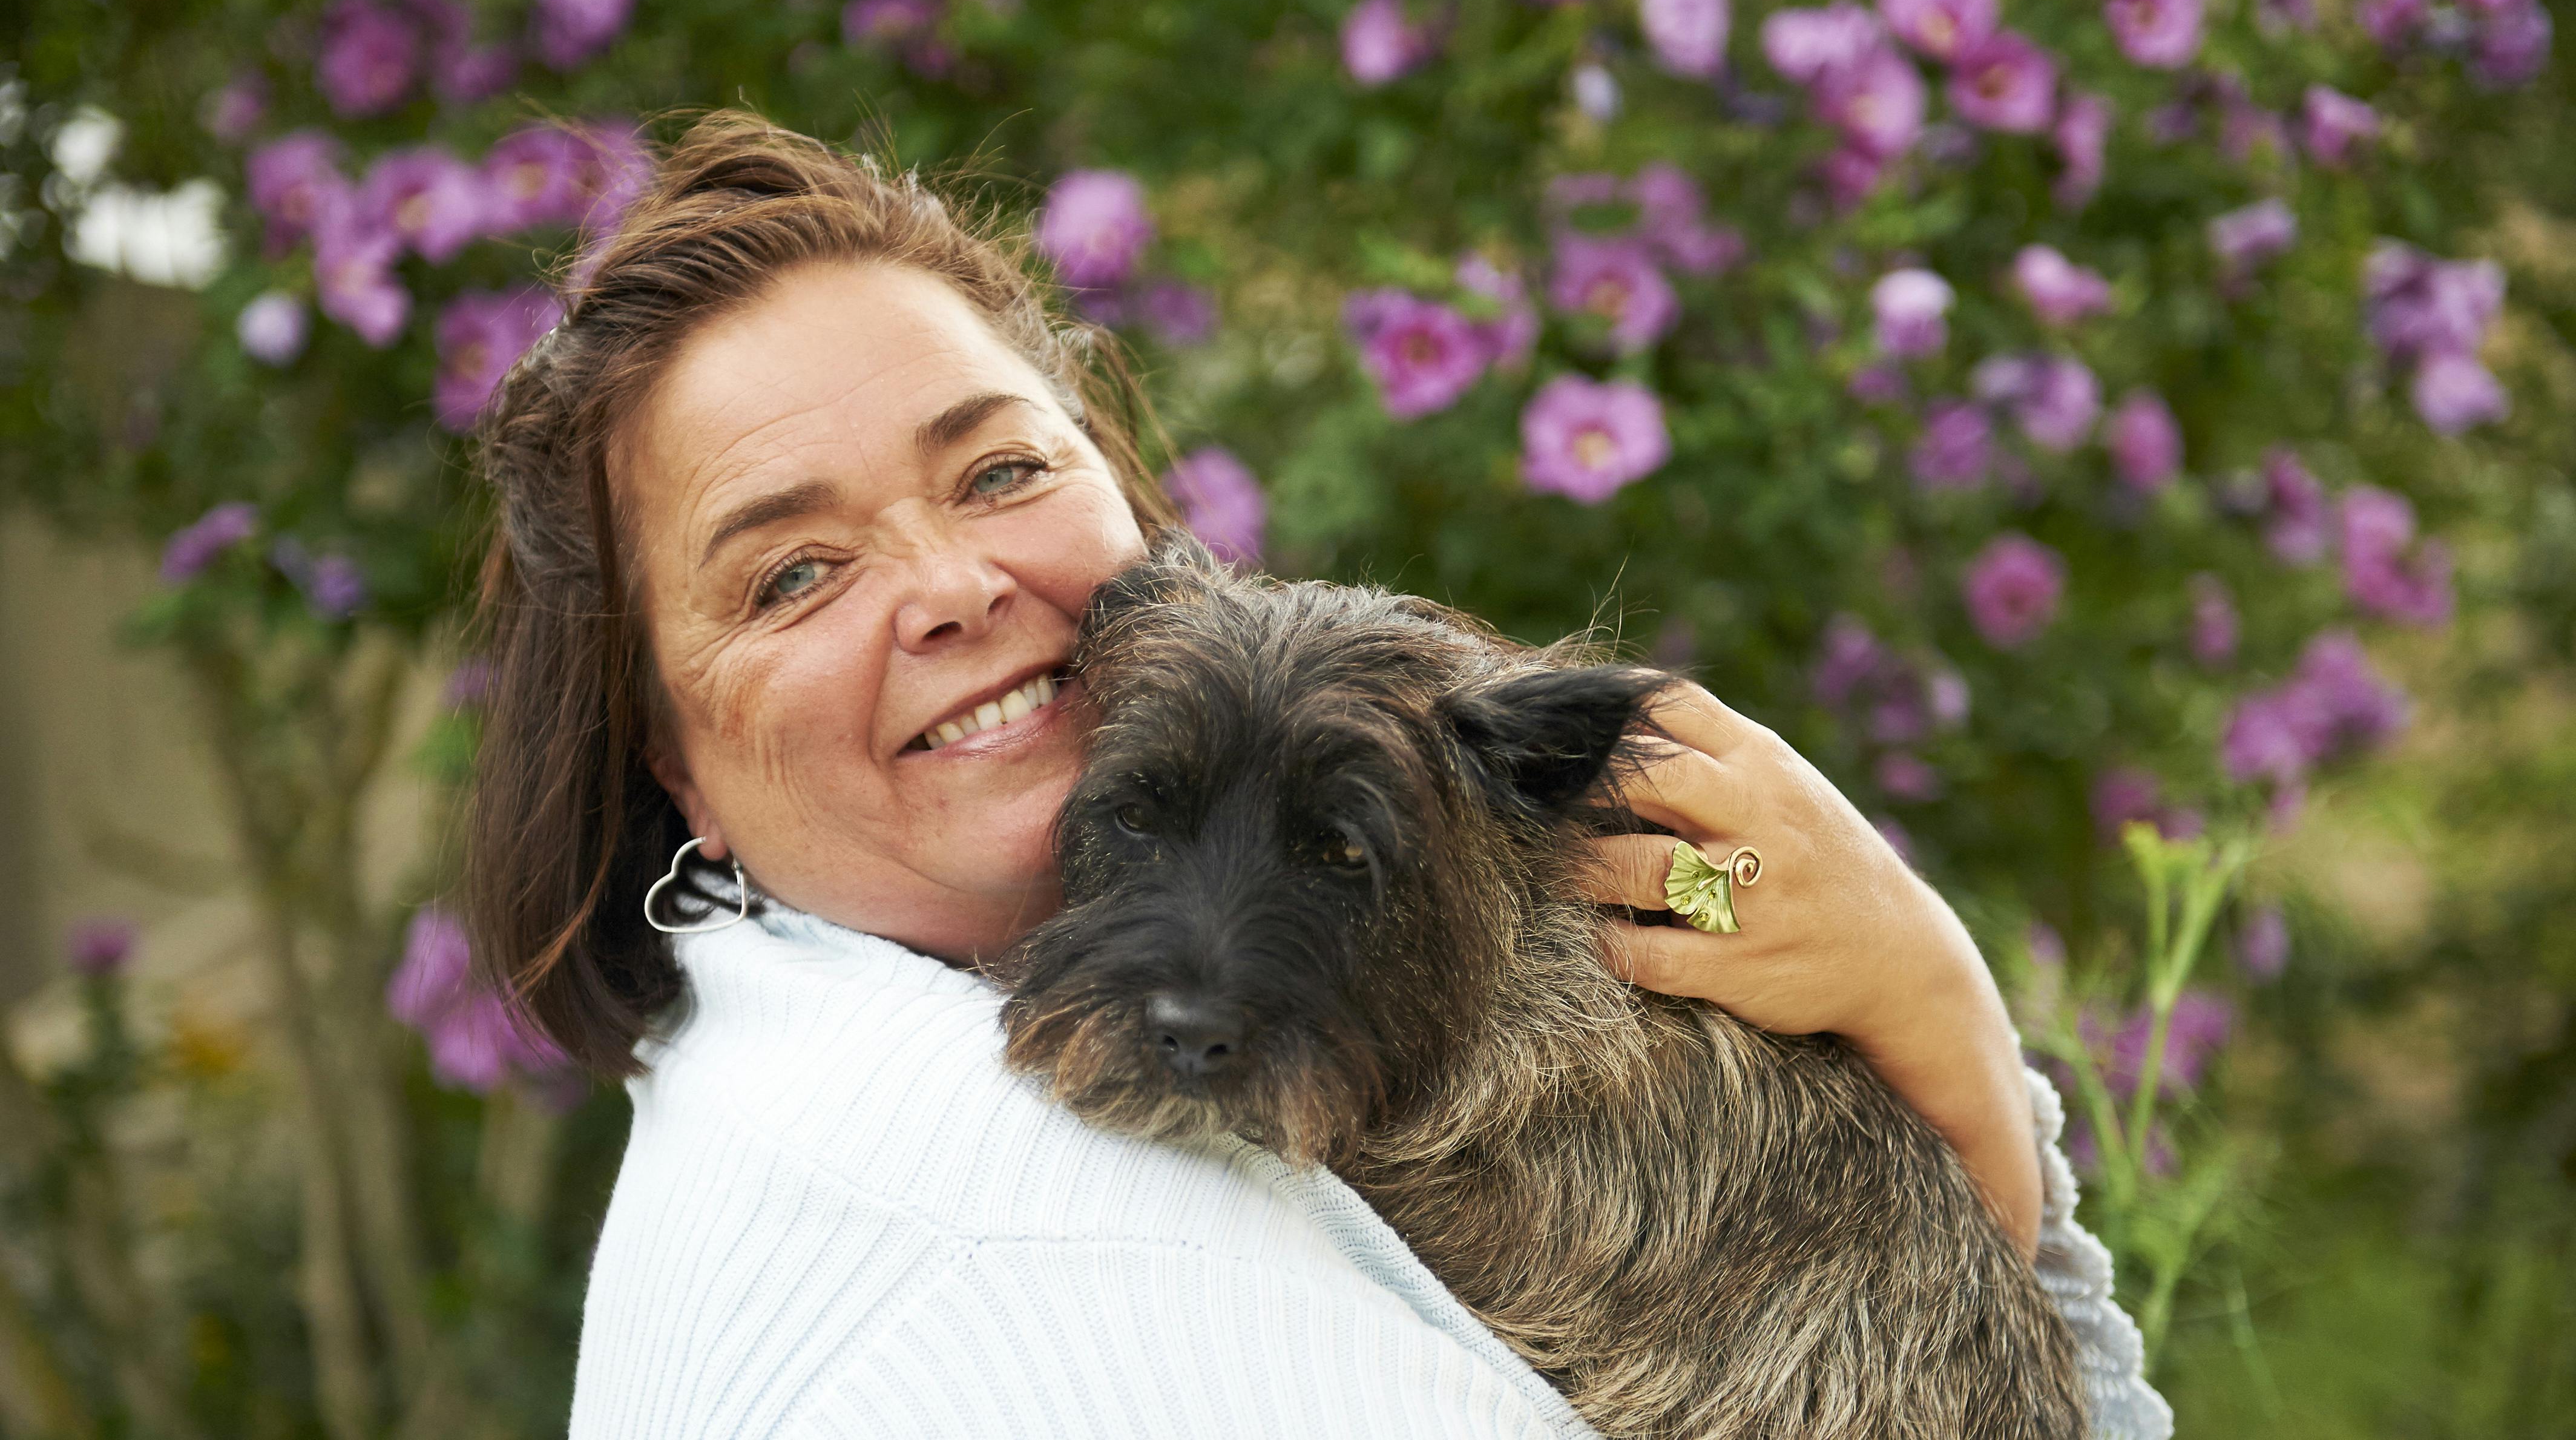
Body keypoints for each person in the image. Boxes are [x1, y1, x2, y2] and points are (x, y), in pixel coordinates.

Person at [465, 110, 2170, 1439]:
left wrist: (1925, 1004)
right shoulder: (1024, 1214)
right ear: (662, 751)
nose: (955, 586)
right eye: (792, 572)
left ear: (1130, 505)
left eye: (994, 469)